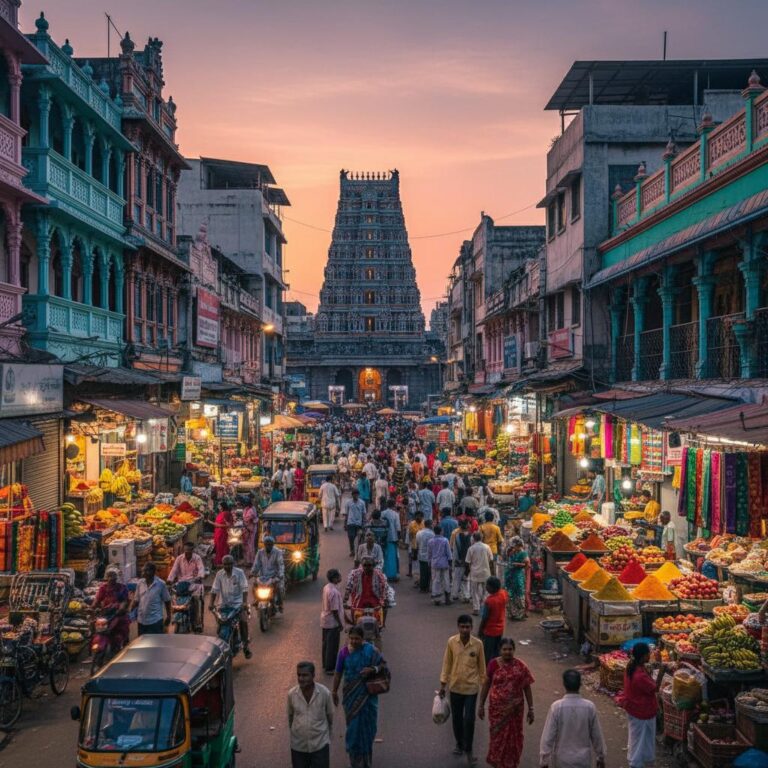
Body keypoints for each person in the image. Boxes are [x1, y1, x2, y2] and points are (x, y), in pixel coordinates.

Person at [332, 625, 388, 768]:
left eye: (357, 639)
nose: (354, 641)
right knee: (353, 729)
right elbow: (338, 673)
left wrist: (372, 669)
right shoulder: (343, 653)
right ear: (348, 638)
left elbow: (383, 666)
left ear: (363, 639)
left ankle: (366, 760)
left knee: (368, 728)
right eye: (352, 638)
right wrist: (334, 691)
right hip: (350, 697)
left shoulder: (371, 650)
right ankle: (355, 761)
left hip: (368, 697)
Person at [478, 637, 535, 768]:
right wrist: (481, 705)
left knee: (514, 738)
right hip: (497, 710)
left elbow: (527, 687)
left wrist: (531, 709)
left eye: (510, 649)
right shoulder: (493, 664)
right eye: (504, 649)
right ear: (500, 650)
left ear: (514, 650)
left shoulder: (521, 666)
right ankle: (497, 762)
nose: (507, 652)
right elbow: (486, 684)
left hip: (515, 710)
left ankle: (511, 763)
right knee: (497, 737)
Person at [439, 614, 487, 765]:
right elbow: (447, 663)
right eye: (462, 627)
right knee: (457, 719)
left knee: (469, 720)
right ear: (458, 627)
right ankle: (459, 743)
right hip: (455, 686)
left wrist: (484, 687)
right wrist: (442, 684)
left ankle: (469, 750)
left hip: (471, 688)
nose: (465, 629)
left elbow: (482, 668)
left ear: (472, 627)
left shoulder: (478, 644)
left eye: (468, 627)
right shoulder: (452, 642)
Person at [539, 669, 606, 768]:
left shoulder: (557, 707)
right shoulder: (589, 707)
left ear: (564, 684)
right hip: (583, 760)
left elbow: (548, 737)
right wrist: (601, 756)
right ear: (580, 684)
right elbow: (597, 735)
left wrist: (544, 760)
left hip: (562, 760)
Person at [622, 642, 665, 768]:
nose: (649, 656)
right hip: (642, 711)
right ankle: (636, 763)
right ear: (643, 656)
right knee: (641, 740)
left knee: (637, 738)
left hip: (634, 709)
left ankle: (639, 761)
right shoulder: (639, 675)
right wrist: (662, 671)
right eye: (648, 654)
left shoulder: (632, 667)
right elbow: (654, 688)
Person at [288, 661, 334, 768]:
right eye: (298, 675)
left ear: (313, 676)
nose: (301, 678)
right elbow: (290, 717)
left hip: (320, 745)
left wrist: (326, 737)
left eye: (305, 675)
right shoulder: (291, 694)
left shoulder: (324, 693)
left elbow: (330, 716)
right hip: (298, 746)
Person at [210, 554, 252, 658]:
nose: (227, 566)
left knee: (243, 621)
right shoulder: (219, 574)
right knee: (221, 623)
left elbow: (245, 588)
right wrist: (211, 603)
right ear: (222, 565)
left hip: (238, 605)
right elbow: (214, 589)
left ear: (233, 564)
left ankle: (246, 646)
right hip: (223, 604)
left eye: (229, 564)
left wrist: (244, 602)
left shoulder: (239, 573)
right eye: (225, 564)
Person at [168, 540, 205, 632]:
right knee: (173, 597)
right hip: (181, 584)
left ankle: (197, 622)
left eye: (189, 551)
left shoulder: (197, 558)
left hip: (193, 584)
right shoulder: (179, 558)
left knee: (196, 600)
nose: (187, 553)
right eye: (186, 551)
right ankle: (173, 616)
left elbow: (201, 569)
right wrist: (169, 579)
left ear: (192, 550)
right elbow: (174, 570)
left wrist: (200, 576)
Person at [93, 567, 130, 651]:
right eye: (109, 576)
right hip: (106, 614)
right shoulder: (103, 588)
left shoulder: (122, 588)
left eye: (113, 576)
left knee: (122, 627)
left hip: (117, 614)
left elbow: (124, 601)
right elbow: (97, 599)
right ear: (106, 577)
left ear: (116, 578)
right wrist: (92, 607)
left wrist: (121, 608)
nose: (111, 578)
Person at [133, 562, 171, 635]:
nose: (143, 572)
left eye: (145, 570)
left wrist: (169, 616)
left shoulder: (161, 584)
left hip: (155, 621)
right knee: (142, 643)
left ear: (152, 572)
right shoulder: (140, 583)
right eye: (143, 570)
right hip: (141, 620)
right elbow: (136, 599)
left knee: (155, 643)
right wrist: (130, 610)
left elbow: (167, 600)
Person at [251, 534, 286, 609]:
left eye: (270, 545)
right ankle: (256, 599)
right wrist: (253, 572)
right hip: (263, 577)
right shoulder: (260, 552)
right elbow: (256, 564)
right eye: (266, 544)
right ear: (264, 544)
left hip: (274, 576)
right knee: (254, 585)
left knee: (279, 588)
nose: (268, 546)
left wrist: (280, 574)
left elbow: (281, 565)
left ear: (273, 545)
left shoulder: (278, 552)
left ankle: (280, 604)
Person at [478, 576, 508, 663]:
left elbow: (485, 618)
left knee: (487, 652)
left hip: (490, 630)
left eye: (487, 585)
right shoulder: (503, 594)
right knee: (497, 650)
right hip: (500, 628)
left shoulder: (489, 601)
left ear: (492, 588)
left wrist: (480, 630)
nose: (486, 587)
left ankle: (487, 669)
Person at [321, 570, 344, 675]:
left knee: (326, 643)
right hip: (332, 622)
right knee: (332, 646)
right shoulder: (334, 592)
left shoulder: (327, 587)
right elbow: (335, 610)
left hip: (325, 620)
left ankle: (325, 663)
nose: (340, 577)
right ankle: (330, 667)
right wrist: (340, 623)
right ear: (335, 578)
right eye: (339, 576)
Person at [466, 531, 494, 615]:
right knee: (486, 591)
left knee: (474, 592)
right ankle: (484, 606)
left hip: (475, 573)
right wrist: (493, 572)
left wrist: (467, 573)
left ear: (474, 538)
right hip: (486, 572)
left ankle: (476, 608)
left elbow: (468, 562)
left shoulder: (471, 548)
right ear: (482, 538)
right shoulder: (487, 547)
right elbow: (491, 560)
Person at [504, 536, 530, 620]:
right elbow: (508, 557)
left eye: (514, 545)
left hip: (518, 575)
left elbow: (527, 564)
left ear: (519, 545)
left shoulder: (523, 553)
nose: (513, 547)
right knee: (510, 594)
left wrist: (518, 564)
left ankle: (520, 615)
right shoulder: (513, 551)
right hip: (510, 575)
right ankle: (511, 613)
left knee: (519, 593)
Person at [427, 523, 452, 606]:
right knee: (446, 580)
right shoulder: (445, 540)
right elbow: (448, 553)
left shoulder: (430, 541)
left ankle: (437, 599)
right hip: (444, 563)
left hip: (434, 563)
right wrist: (450, 562)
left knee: (436, 580)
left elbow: (429, 553)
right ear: (441, 531)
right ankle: (447, 598)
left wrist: (429, 562)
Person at [451, 519, 473, 602]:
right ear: (467, 526)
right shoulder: (472, 537)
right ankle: (466, 596)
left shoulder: (457, 536)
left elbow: (455, 550)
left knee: (456, 578)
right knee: (466, 579)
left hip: (459, 561)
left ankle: (455, 595)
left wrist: (454, 561)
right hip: (468, 562)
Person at [380, 499, 401, 581]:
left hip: (384, 537)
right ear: (394, 505)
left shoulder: (382, 513)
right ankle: (393, 574)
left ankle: (384, 573)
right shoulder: (396, 514)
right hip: (393, 538)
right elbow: (398, 527)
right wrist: (399, 538)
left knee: (385, 556)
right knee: (393, 557)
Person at [344, 488, 367, 558]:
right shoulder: (348, 503)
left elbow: (364, 514)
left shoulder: (362, 503)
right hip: (350, 523)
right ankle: (352, 550)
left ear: (358, 495)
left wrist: (364, 523)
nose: (356, 496)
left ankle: (358, 551)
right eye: (354, 495)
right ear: (352, 495)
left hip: (359, 524)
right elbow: (346, 513)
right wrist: (345, 523)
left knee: (360, 538)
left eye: (357, 495)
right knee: (351, 537)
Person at [415, 519, 436, 593]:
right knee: (428, 572)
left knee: (422, 571)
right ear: (430, 525)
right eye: (432, 524)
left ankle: (422, 587)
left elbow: (417, 543)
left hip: (421, 555)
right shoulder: (432, 534)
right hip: (429, 556)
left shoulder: (419, 533)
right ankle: (427, 587)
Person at [212, 502, 235, 567]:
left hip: (222, 533)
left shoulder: (226, 513)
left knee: (222, 547)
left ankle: (222, 562)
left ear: (223, 507)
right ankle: (221, 561)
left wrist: (220, 525)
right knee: (219, 547)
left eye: (220, 506)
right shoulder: (223, 513)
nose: (219, 507)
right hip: (219, 533)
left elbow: (229, 525)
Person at [406, 510, 424, 578]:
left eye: (420, 517)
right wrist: (410, 545)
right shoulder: (412, 524)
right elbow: (410, 535)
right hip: (413, 544)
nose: (419, 518)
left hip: (421, 544)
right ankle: (410, 572)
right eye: (417, 516)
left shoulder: (423, 523)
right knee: (411, 558)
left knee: (418, 560)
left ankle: (418, 574)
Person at [242, 496, 259, 566]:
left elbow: (247, 519)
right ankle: (248, 560)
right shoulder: (247, 508)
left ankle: (251, 561)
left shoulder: (252, 510)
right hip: (247, 528)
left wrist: (244, 521)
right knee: (247, 545)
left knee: (250, 545)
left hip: (250, 529)